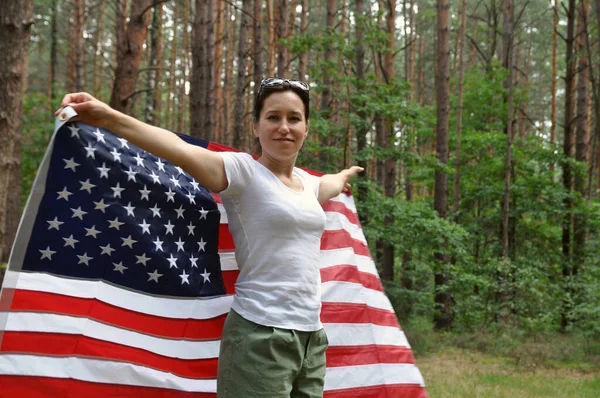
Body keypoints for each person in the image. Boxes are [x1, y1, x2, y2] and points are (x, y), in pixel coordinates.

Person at [57, 77, 363, 398]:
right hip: (261, 334)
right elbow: (179, 150)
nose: (284, 126)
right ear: (256, 127)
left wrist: (344, 176)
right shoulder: (244, 172)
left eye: (293, 118)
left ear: (306, 129)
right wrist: (106, 116)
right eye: (273, 117)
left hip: (311, 338)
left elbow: (329, 183)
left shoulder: (309, 185)